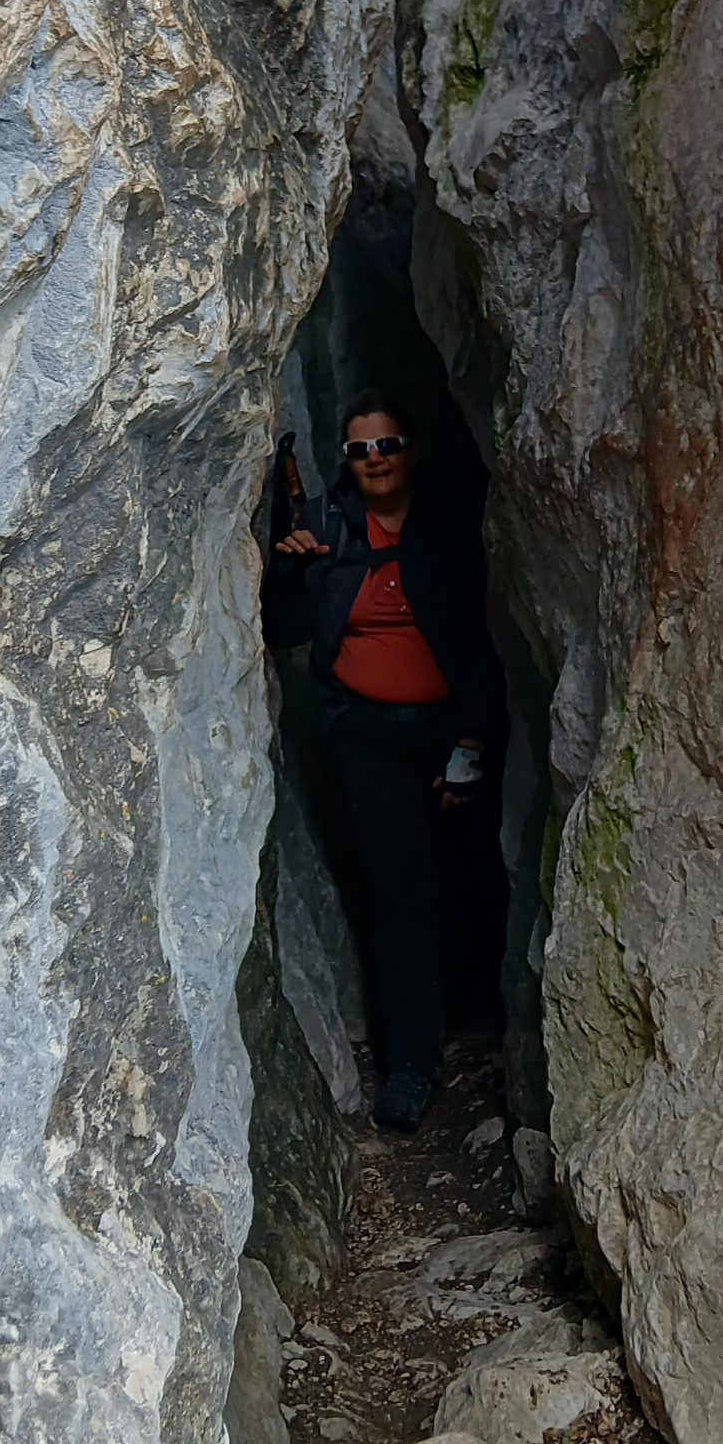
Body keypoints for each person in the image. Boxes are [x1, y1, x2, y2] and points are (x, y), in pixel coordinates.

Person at [262, 390, 502, 1132]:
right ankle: (411, 1065)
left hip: (449, 732)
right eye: (360, 450)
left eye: (387, 445)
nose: (375, 460)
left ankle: (482, 1024)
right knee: (398, 895)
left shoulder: (450, 525)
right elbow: (286, 629)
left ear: (411, 451)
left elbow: (485, 634)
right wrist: (293, 566)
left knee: (470, 877)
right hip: (366, 740)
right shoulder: (329, 525)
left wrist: (471, 742)